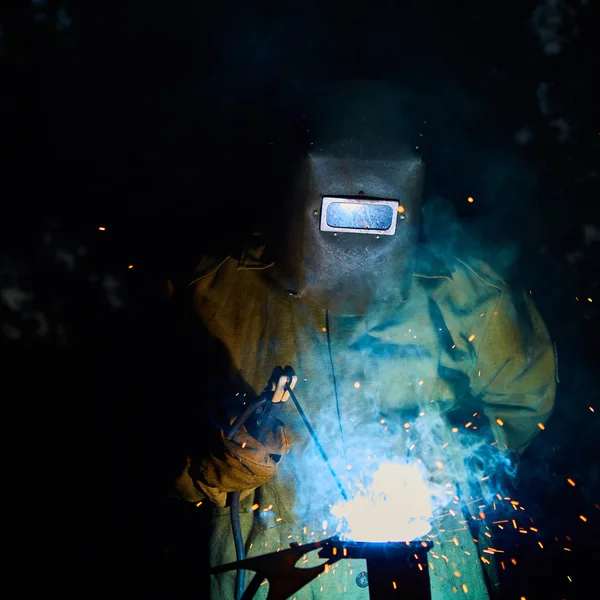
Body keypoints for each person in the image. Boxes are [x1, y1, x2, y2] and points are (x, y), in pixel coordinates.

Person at [171, 80, 556, 599]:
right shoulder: (215, 293)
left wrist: (452, 457)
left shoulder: (469, 290)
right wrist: (219, 465)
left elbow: (523, 401)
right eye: (339, 212)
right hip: (283, 572)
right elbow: (141, 443)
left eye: (378, 216)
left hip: (436, 565)